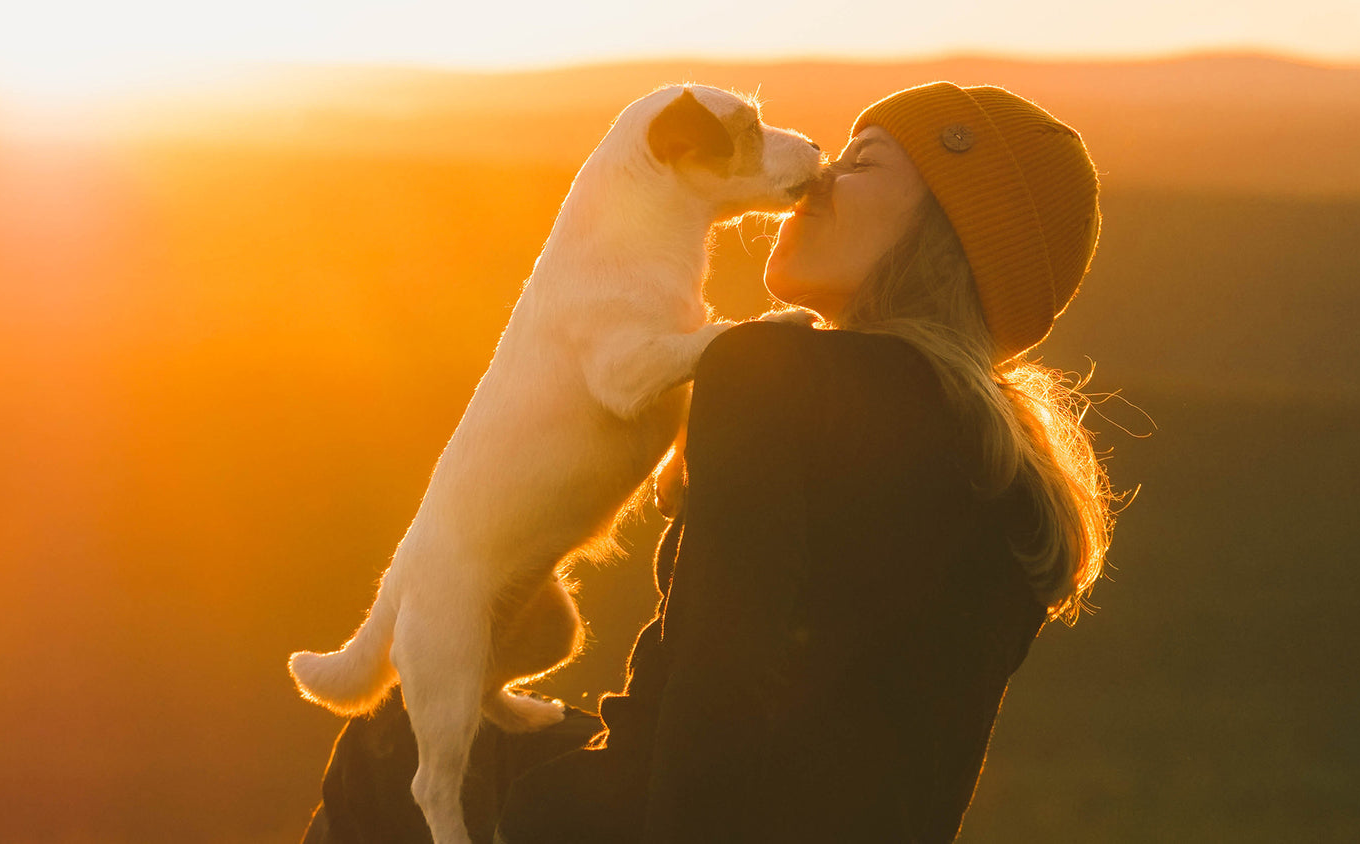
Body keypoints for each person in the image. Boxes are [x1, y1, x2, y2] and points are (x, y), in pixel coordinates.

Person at [301, 81, 1114, 844]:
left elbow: (711, 711)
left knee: (387, 752)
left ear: (946, 234)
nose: (824, 172)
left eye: (862, 163)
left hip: (676, 816)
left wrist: (542, 809)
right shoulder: (1011, 451)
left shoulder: (771, 376)